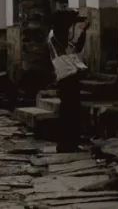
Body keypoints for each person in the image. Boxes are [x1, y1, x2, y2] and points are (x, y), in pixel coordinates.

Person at [48, 10, 88, 152]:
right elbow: (69, 47)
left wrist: (83, 33)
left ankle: (70, 142)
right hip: (66, 75)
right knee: (69, 110)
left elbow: (75, 48)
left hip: (68, 74)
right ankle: (67, 142)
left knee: (71, 110)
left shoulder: (58, 33)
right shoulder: (57, 34)